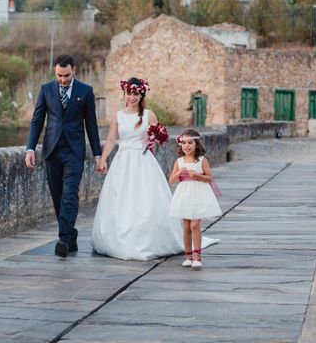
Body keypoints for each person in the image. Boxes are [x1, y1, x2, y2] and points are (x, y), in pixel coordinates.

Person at [92, 78, 217, 260]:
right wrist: (103, 159)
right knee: (121, 198)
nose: (132, 97)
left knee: (146, 198)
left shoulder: (149, 115)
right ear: (125, 94)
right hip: (122, 161)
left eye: (136, 93)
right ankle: (117, 239)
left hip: (143, 161)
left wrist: (154, 139)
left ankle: (151, 238)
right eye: (129, 93)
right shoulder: (118, 116)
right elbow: (111, 139)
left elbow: (154, 141)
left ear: (141, 94)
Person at [25, 54, 102, 258]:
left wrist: (97, 154)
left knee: (69, 194)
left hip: (74, 152)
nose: (63, 79)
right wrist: (30, 148)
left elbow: (91, 125)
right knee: (58, 196)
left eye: (66, 75)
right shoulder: (46, 89)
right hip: (52, 151)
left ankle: (63, 239)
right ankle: (71, 235)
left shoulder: (85, 91)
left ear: (74, 70)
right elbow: (37, 121)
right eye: (59, 75)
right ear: (55, 72)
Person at [169, 129, 222, 269]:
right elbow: (171, 180)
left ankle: (197, 257)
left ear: (196, 144)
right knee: (186, 226)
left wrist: (197, 175)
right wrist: (179, 172)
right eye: (184, 143)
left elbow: (209, 178)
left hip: (198, 194)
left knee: (194, 225)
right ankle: (188, 256)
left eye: (190, 143)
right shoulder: (179, 161)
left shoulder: (202, 160)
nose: (186, 146)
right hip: (184, 195)